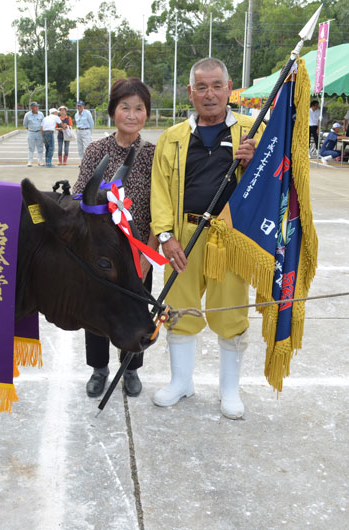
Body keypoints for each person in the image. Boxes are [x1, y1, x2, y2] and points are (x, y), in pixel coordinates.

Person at [150, 57, 261, 419]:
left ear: (230, 89)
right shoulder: (172, 138)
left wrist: (255, 162)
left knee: (230, 310)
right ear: (190, 92)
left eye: (217, 86)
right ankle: (181, 381)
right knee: (179, 309)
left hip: (230, 237)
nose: (210, 94)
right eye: (202, 87)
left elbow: (273, 184)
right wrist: (166, 236)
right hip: (183, 235)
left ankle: (229, 389)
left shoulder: (252, 132)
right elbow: (160, 192)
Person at [73, 78, 158, 399]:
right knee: (96, 311)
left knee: (137, 312)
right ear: (112, 111)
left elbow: (160, 209)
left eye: (139, 108)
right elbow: (80, 196)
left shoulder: (154, 154)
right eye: (125, 107)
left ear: (147, 114)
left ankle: (131, 369)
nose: (132, 114)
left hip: (138, 253)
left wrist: (148, 256)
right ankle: (99, 369)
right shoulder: (97, 150)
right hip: (100, 254)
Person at [23, 101, 44, 166]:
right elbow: (25, 125)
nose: (37, 107)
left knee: (40, 147)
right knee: (31, 147)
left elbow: (43, 123)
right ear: (32, 107)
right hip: (31, 132)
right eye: (36, 106)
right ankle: (30, 161)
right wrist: (31, 130)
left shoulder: (41, 114)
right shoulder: (27, 115)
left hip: (39, 132)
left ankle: (40, 161)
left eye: (37, 106)